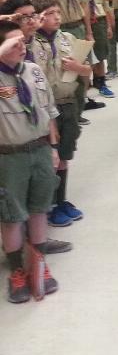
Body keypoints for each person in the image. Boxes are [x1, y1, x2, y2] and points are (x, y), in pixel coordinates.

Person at [0, 19, 67, 303]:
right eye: (14, 43)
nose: (21, 47)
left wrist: (52, 147)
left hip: (39, 149)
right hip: (9, 156)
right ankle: (16, 270)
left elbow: (49, 110)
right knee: (12, 216)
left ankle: (38, 262)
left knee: (40, 209)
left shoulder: (34, 71)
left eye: (23, 42)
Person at [29, 0, 91, 227]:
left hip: (67, 103)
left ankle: (60, 201)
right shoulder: (30, 43)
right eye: (50, 13)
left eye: (58, 12)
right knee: (48, 158)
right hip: (44, 107)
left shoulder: (68, 38)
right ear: (38, 18)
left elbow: (86, 72)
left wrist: (78, 68)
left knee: (64, 155)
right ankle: (47, 205)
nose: (57, 17)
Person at [77, 0, 115, 99]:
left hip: (99, 20)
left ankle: (101, 84)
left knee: (100, 54)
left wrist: (109, 25)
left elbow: (106, 4)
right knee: (84, 55)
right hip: (81, 21)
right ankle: (83, 89)